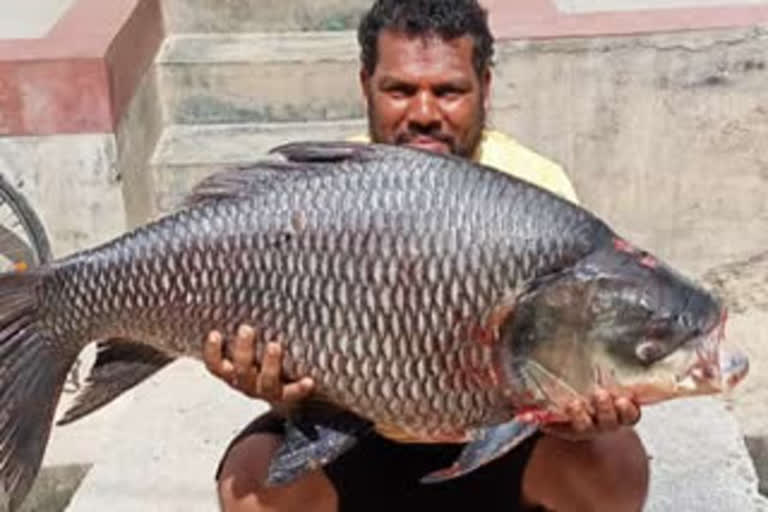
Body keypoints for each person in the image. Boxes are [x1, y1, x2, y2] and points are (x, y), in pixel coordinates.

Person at [203, 1, 650, 510]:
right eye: (399, 90)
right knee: (250, 486)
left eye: (448, 91)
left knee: (617, 467)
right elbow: (296, 380)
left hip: (494, 433)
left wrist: (579, 417)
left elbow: (564, 359)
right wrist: (280, 389)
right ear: (365, 83)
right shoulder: (318, 196)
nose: (423, 113)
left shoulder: (537, 190)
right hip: (357, 427)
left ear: (485, 84)